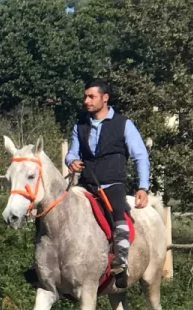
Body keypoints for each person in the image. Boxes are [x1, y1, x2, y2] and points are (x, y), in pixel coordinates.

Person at [65, 78, 151, 288]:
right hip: (85, 186)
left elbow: (140, 156)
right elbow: (72, 153)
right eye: (85, 96)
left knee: (118, 214)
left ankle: (121, 262)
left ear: (105, 98)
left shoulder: (124, 124)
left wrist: (143, 187)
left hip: (113, 184)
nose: (86, 101)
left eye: (91, 96)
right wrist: (72, 161)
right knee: (60, 210)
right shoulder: (80, 125)